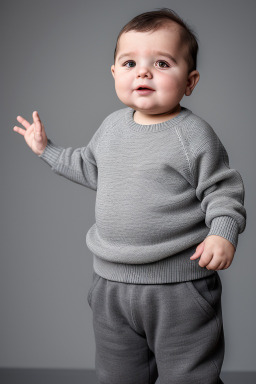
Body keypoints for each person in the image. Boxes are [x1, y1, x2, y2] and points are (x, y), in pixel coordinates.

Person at [13, 8, 246, 384]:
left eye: (162, 63)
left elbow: (223, 190)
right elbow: (90, 167)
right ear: (115, 73)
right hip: (111, 285)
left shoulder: (194, 136)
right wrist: (46, 150)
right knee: (118, 375)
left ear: (190, 81)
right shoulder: (111, 127)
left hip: (178, 289)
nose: (144, 72)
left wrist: (222, 232)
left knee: (190, 375)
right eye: (130, 62)